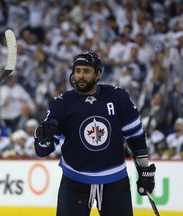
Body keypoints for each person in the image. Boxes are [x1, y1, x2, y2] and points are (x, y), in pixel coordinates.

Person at [34, 52, 156, 216]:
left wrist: (144, 170)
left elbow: (136, 138)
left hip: (114, 181)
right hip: (74, 182)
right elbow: (43, 151)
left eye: (86, 71)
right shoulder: (61, 104)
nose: (81, 76)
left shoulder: (118, 98)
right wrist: (42, 137)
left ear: (98, 74)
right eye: (77, 71)